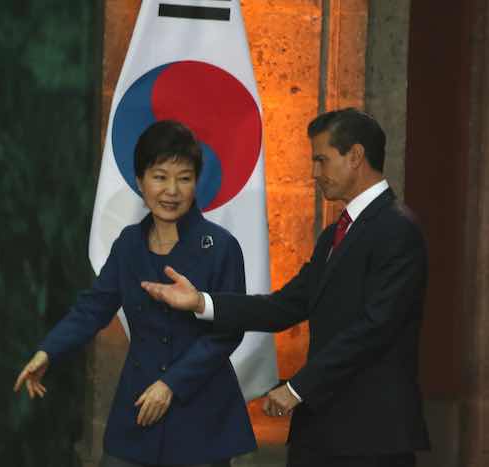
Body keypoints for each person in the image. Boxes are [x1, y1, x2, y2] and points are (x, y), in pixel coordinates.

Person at [141, 109, 430, 467]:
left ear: (355, 156)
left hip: (372, 436)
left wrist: (297, 388)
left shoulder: (397, 229)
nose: (314, 173)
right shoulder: (335, 234)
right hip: (322, 432)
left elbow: (374, 328)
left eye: (322, 160)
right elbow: (285, 306)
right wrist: (202, 302)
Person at [14, 120, 257, 467]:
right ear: (140, 180)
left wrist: (171, 384)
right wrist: (48, 351)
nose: (171, 190)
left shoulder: (220, 247)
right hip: (139, 409)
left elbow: (228, 331)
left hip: (201, 416)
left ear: (196, 183)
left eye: (184, 178)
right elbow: (94, 308)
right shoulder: (129, 243)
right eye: (160, 176)